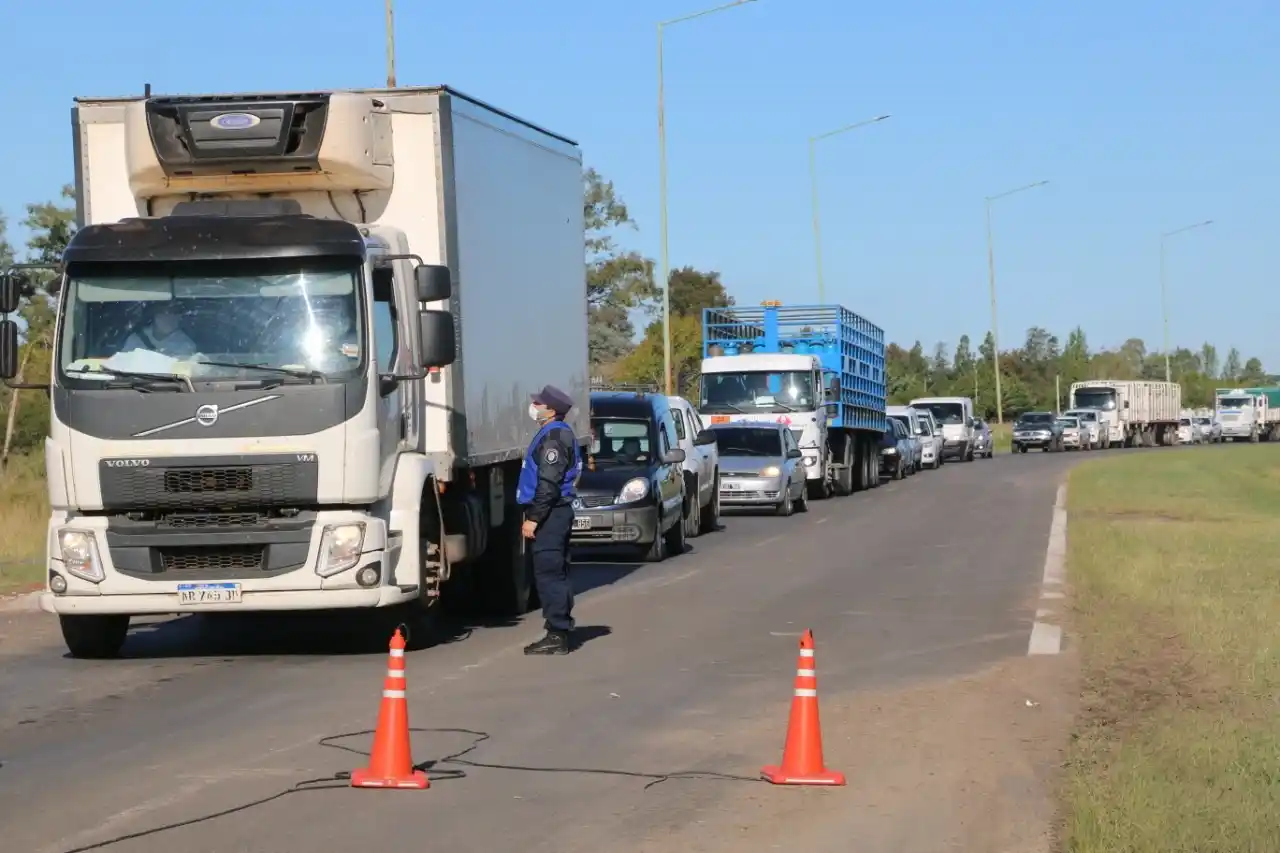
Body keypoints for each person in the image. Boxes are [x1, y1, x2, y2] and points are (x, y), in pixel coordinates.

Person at [517, 384, 582, 655]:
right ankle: (559, 627)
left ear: (551, 410)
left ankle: (557, 634)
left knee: (549, 573)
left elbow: (548, 485)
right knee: (556, 571)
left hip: (551, 513)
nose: (535, 407)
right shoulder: (554, 433)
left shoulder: (554, 438)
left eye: (540, 404)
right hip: (557, 511)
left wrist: (534, 518)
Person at [121, 302, 199, 358]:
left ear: (179, 317)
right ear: (155, 315)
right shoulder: (135, 339)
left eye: (175, 313)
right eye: (165, 313)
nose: (170, 318)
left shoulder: (186, 345)